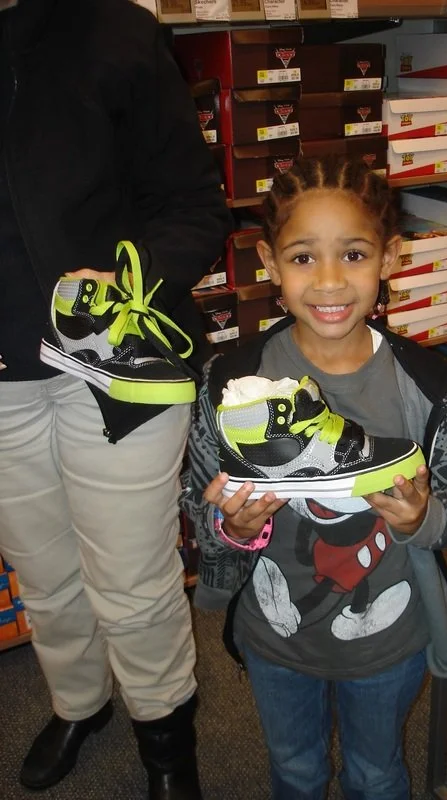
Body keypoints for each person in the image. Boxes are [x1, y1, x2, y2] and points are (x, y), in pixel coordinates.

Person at [181, 156, 447, 800]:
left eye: (353, 255)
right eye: (302, 258)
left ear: (390, 257)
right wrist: (231, 527)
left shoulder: (433, 387)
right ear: (268, 262)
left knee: (377, 775)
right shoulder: (228, 383)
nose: (329, 282)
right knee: (294, 771)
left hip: (389, 643)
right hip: (275, 643)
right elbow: (197, 501)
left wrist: (424, 516)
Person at [0, 0, 231, 798]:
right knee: (43, 570)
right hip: (1, 377)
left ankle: (167, 740)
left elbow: (197, 207)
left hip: (118, 363)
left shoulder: (113, 31)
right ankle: (80, 703)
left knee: (130, 577)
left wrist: (129, 276)